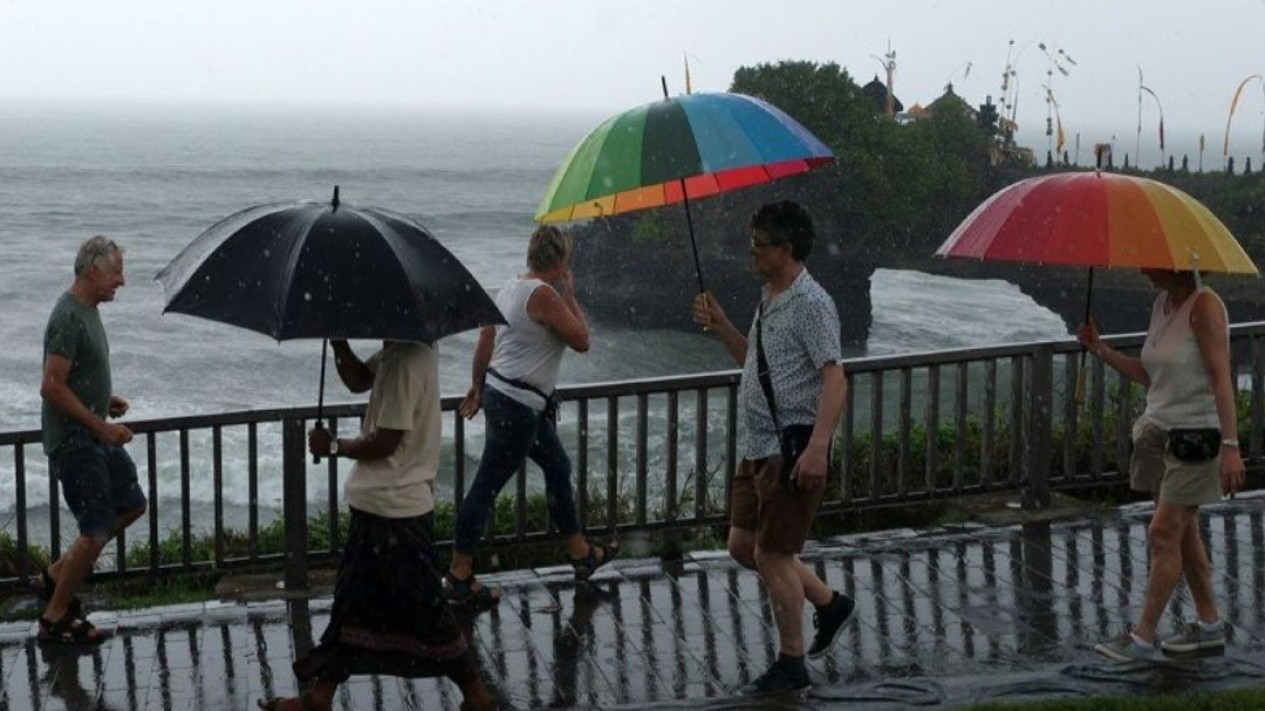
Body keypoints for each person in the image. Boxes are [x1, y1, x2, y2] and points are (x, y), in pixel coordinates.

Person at [258, 340, 496, 711]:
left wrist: (333, 447)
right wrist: (339, 344)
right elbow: (358, 380)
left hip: (395, 511)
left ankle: (478, 695)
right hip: (382, 507)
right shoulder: (401, 350)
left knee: (428, 610)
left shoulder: (405, 359)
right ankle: (320, 697)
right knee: (351, 607)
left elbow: (386, 442)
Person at [691, 201, 855, 696]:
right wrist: (722, 325)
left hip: (792, 447)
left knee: (773, 554)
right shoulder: (771, 296)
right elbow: (755, 363)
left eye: (759, 245)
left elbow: (835, 378)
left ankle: (791, 663)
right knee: (744, 546)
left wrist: (818, 448)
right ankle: (829, 603)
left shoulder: (811, 304)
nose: (752, 252)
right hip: (758, 445)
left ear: (785, 249)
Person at [447, 225, 617, 606]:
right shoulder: (543, 295)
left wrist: (477, 385)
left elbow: (486, 339)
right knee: (486, 486)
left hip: (506, 395)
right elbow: (582, 340)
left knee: (557, 467)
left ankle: (580, 554)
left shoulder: (510, 288)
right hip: (518, 406)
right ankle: (459, 573)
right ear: (560, 260)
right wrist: (569, 293)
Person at [1081, 269, 1244, 661]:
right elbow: (1150, 375)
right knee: (1182, 534)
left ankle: (1141, 638)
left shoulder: (1205, 306)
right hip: (1159, 433)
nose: (1142, 268)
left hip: (1195, 439)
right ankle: (1210, 625)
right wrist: (1100, 349)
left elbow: (1221, 377)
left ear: (1177, 263)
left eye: (1151, 262)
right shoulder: (1162, 305)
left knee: (1162, 533)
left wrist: (1231, 446)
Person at [36, 236, 145, 645]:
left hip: (95, 436)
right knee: (95, 530)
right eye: (116, 272)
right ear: (93, 270)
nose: (122, 281)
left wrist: (103, 399)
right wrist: (101, 427)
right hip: (76, 444)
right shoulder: (67, 317)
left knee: (132, 504)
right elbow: (51, 386)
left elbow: (75, 376)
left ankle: (55, 575)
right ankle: (55, 616)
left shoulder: (89, 311)